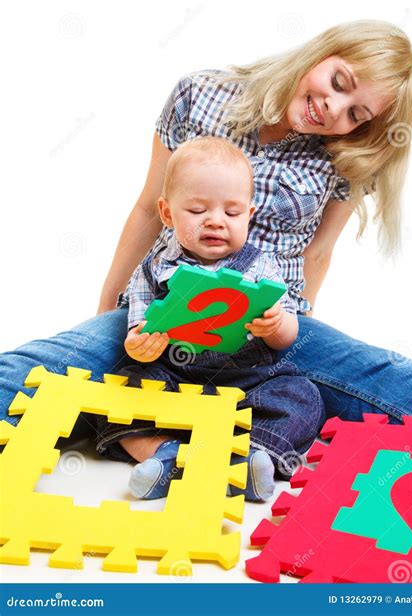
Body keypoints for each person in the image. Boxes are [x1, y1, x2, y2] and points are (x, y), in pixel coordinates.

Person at [1, 20, 412, 454]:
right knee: (26, 379)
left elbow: (319, 253)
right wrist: (107, 315)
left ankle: (239, 442)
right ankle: (157, 436)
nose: (334, 109)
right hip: (163, 316)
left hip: (264, 329)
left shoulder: (345, 156)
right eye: (338, 82)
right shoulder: (201, 93)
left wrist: (285, 334)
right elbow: (149, 209)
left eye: (357, 113)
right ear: (321, 53)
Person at [93, 135, 325, 502]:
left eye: (231, 213)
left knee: (302, 396)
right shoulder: (153, 268)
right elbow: (137, 331)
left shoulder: (262, 265)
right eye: (198, 211)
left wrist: (277, 326)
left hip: (245, 380)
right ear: (168, 214)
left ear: (248, 215)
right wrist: (141, 348)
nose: (216, 222)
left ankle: (245, 460)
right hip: (172, 375)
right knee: (115, 399)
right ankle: (164, 456)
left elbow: (288, 334)